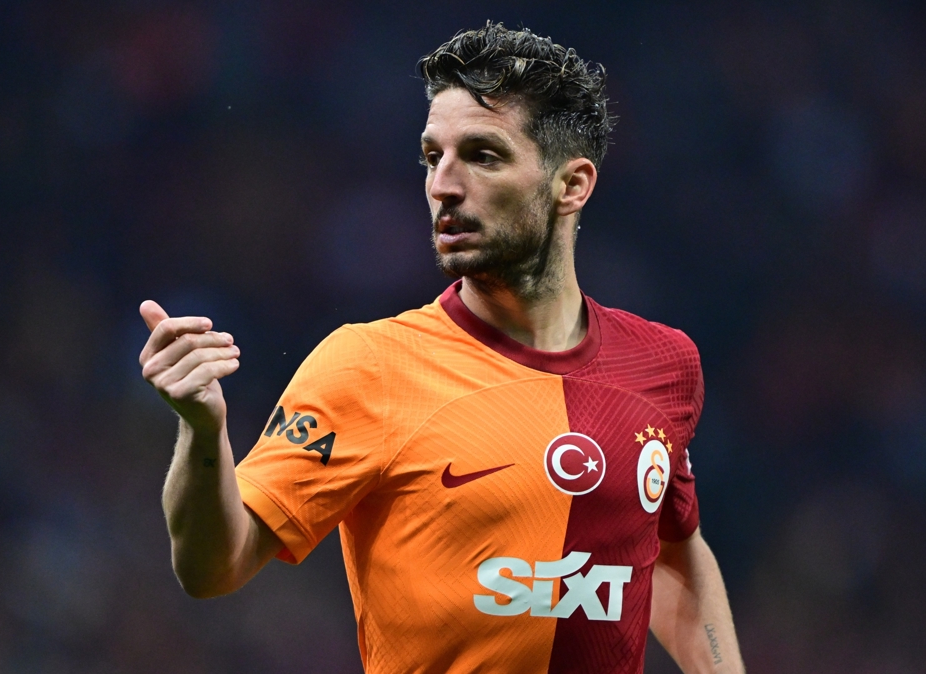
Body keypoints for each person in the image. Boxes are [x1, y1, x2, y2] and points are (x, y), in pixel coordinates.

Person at [138, 22, 744, 674]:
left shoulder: (663, 364)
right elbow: (213, 569)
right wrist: (203, 431)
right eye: (433, 157)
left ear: (571, 185)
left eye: (482, 156)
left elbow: (673, 553)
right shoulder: (370, 365)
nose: (443, 185)